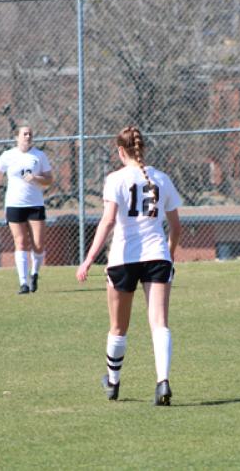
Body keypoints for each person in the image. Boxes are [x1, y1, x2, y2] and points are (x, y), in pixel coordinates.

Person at [76, 126, 182, 406]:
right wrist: (168, 255)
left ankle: (113, 382)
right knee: (159, 324)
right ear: (142, 149)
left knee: (118, 328)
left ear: (121, 151)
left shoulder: (116, 179)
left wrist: (88, 258)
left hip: (124, 259)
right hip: (157, 256)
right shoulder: (161, 178)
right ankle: (163, 383)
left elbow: (108, 221)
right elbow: (175, 227)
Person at [0, 126, 53, 294]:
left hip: (35, 205)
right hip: (14, 204)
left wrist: (35, 178)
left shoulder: (39, 155)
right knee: (21, 242)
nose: (28, 136)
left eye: (30, 134)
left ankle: (35, 274)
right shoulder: (7, 156)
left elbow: (49, 180)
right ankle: (23, 283)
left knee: (38, 244)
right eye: (25, 134)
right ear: (17, 137)